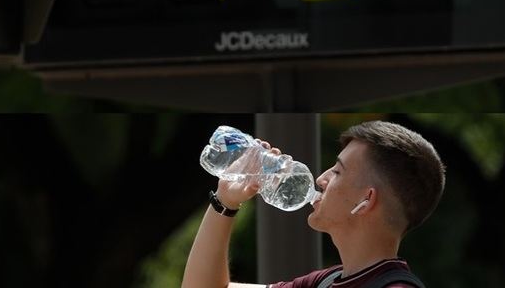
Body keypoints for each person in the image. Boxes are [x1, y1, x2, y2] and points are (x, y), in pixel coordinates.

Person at [181, 120, 446, 288]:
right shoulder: (324, 282)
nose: (320, 179)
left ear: (366, 200)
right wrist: (225, 202)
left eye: (337, 171)